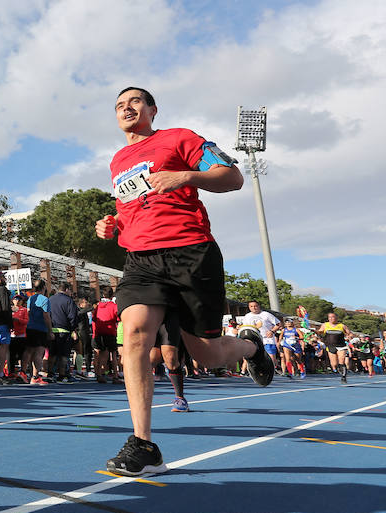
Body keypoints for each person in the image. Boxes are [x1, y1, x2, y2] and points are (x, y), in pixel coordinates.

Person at [95, 86, 273, 477]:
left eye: (135, 102)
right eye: (120, 105)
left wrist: (186, 177)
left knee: (207, 356)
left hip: (191, 252)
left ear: (152, 109)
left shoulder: (180, 138)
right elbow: (131, 209)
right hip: (141, 259)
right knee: (136, 334)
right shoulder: (118, 161)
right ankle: (144, 444)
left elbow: (233, 177)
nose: (127, 108)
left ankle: (250, 347)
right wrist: (111, 225)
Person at [21, 278, 52, 385]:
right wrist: (50, 330)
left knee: (29, 350)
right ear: (44, 288)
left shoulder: (31, 299)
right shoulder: (45, 299)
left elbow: (29, 312)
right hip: (40, 328)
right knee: (39, 352)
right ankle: (35, 376)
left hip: (30, 327)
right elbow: (46, 316)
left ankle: (23, 372)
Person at [47, 282, 78, 383]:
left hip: (52, 330)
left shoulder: (50, 299)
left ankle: (50, 374)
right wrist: (73, 329)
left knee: (52, 354)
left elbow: (47, 315)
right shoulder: (69, 301)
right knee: (64, 355)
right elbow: (73, 317)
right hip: (64, 331)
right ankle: (62, 375)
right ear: (67, 289)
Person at [241, 300, 282, 371]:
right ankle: (250, 371)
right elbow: (245, 327)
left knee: (271, 357)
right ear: (249, 307)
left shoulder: (266, 314)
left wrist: (272, 331)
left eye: (255, 306)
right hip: (254, 339)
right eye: (251, 306)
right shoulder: (247, 316)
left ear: (258, 306)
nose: (254, 308)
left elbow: (278, 324)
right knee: (252, 356)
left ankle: (271, 370)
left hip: (267, 339)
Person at [92, 290, 120, 383]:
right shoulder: (114, 306)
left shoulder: (98, 305)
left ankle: (99, 374)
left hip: (99, 331)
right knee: (113, 354)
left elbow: (94, 318)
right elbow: (118, 318)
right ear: (112, 295)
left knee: (102, 354)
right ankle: (115, 376)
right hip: (110, 331)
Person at [318, 312, 351, 383]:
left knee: (341, 360)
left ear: (336, 318)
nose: (331, 318)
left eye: (332, 317)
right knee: (334, 364)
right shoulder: (325, 325)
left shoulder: (342, 326)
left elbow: (349, 333)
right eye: (329, 317)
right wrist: (314, 331)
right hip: (330, 346)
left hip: (341, 346)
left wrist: (349, 336)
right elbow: (320, 331)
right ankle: (339, 369)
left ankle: (343, 376)